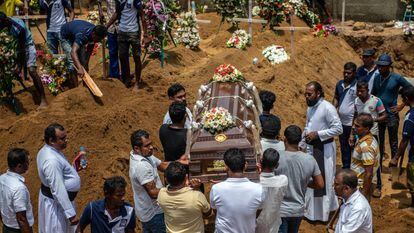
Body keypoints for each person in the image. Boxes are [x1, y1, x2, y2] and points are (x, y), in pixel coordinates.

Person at [129, 129, 187, 233]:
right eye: (147, 145)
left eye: (150, 144)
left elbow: (162, 166)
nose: (151, 147)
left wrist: (181, 162)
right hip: (153, 214)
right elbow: (153, 193)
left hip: (153, 210)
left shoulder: (146, 155)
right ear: (136, 148)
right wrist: (177, 188)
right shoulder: (141, 165)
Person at [371, 53, 412, 198]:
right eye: (379, 66)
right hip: (380, 116)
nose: (380, 68)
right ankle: (379, 178)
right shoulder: (377, 78)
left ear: (389, 66)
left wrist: (402, 105)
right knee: (379, 146)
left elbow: (410, 91)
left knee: (395, 145)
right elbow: (373, 95)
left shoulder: (397, 78)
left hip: (392, 116)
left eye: (383, 66)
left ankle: (394, 176)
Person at [302, 81, 343, 222]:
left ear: (318, 93)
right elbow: (307, 126)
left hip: (323, 150)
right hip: (311, 148)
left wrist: (318, 134)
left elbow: (339, 129)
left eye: (309, 94)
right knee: (311, 178)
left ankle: (322, 214)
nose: (306, 97)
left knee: (323, 181)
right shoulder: (310, 107)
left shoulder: (328, 108)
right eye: (305, 94)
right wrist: (302, 143)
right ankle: (311, 212)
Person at [275, 125, 324, 233]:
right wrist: (305, 182)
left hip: (280, 210)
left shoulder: (277, 157)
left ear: (285, 140)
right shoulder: (310, 159)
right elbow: (320, 184)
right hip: (298, 210)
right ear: (299, 141)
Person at [37, 123, 81, 233]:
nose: (66, 140)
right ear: (51, 140)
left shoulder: (51, 150)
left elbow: (59, 174)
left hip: (60, 204)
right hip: (57, 207)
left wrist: (74, 168)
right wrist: (71, 215)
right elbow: (57, 188)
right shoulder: (51, 160)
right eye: (62, 138)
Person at [210, 148, 264, 233]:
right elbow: (256, 213)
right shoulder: (259, 189)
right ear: (245, 165)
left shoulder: (216, 189)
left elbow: (216, 211)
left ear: (226, 166)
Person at [0, 13, 48, 108]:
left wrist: (19, 66)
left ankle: (43, 100)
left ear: (4, 22)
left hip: (27, 46)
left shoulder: (18, 28)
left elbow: (22, 50)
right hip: (17, 47)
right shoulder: (6, 22)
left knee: (32, 71)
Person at [157, 162, 212, 233]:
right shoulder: (196, 196)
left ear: (166, 180)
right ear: (186, 177)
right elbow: (208, 213)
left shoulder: (161, 194)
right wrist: (197, 189)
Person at [106, 0, 145, 88]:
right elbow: (116, 14)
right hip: (122, 32)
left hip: (133, 32)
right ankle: (127, 79)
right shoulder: (119, 1)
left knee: (136, 57)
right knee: (123, 56)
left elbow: (142, 15)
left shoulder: (135, 1)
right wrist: (106, 26)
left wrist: (145, 34)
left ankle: (137, 82)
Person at [60, 20, 107, 87]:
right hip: (66, 37)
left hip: (76, 35)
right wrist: (79, 68)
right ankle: (75, 88)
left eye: (100, 40)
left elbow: (90, 49)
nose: (98, 41)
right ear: (93, 34)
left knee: (84, 62)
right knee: (72, 62)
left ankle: (85, 87)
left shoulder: (95, 34)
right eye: (98, 39)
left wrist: (85, 63)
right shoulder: (82, 35)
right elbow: (73, 52)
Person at [390, 85, 414, 207]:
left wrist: (396, 158)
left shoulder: (410, 117)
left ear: (406, 98)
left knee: (412, 183)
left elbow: (404, 140)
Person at [0, 148, 33, 233]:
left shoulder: (1, 179)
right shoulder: (19, 188)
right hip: (18, 230)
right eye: (27, 162)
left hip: (6, 228)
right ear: (19, 166)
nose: (28, 164)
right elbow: (21, 219)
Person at [256, 148, 288, 233]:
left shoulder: (255, 183)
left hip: (256, 226)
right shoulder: (283, 180)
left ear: (260, 162)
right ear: (277, 165)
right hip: (274, 226)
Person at [333, 62, 358, 169]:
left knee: (354, 146)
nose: (346, 75)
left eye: (349, 73)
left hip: (353, 123)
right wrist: (333, 110)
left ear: (354, 73)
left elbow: (359, 105)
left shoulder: (358, 85)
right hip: (341, 123)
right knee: (344, 147)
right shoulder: (339, 84)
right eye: (345, 72)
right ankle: (346, 168)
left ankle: (355, 170)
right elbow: (336, 98)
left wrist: (355, 123)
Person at [350, 113, 379, 201]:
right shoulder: (363, 138)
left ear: (366, 129)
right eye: (354, 124)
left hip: (360, 186)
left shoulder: (366, 147)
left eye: (357, 126)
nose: (354, 127)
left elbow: (368, 174)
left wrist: (363, 194)